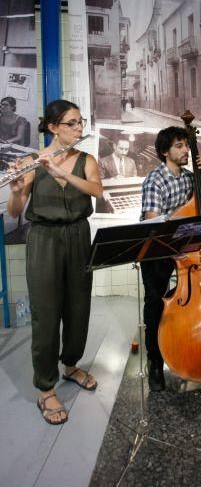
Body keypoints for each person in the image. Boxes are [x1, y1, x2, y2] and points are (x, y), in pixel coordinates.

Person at [7, 99, 103, 425]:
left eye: (80, 122)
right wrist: (18, 189)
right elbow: (15, 211)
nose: (79, 129)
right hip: (44, 239)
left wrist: (62, 171)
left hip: (78, 235)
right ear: (52, 127)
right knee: (46, 313)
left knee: (78, 307)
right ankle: (46, 388)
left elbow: (96, 190)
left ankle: (71, 364)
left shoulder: (86, 159)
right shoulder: (33, 161)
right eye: (71, 124)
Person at [140, 126, 201, 391]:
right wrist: (179, 237)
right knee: (155, 305)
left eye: (187, 145)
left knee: (188, 301)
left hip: (184, 249)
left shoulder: (188, 177)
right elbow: (153, 223)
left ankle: (189, 350)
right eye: (180, 146)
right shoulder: (155, 180)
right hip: (158, 250)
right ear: (165, 152)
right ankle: (155, 363)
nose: (187, 151)